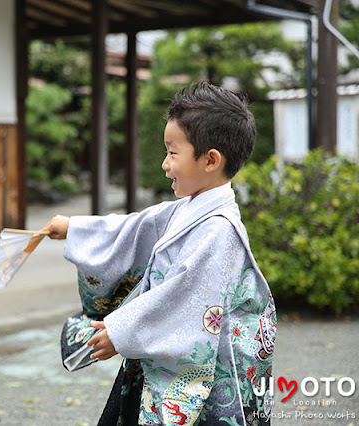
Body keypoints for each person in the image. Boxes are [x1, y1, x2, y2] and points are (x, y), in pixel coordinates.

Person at [44, 82, 276, 425]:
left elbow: (184, 298)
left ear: (211, 159)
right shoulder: (189, 208)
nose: (165, 164)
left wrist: (120, 333)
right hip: (152, 351)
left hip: (201, 375)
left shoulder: (219, 229)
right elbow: (136, 228)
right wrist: (73, 228)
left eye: (173, 152)